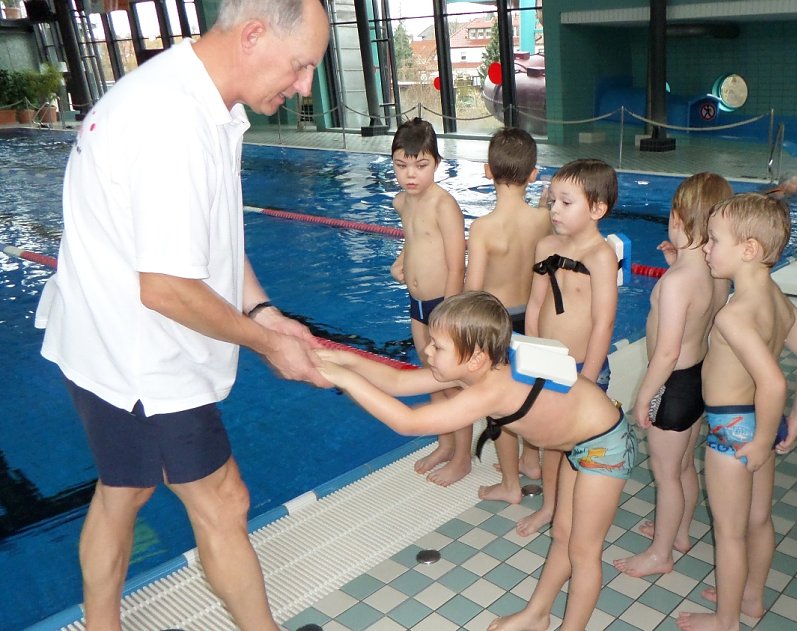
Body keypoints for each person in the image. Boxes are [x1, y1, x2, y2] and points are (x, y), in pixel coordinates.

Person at [36, 1, 331, 629]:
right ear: (253, 35)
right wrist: (265, 342)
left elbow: (211, 239)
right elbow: (167, 288)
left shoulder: (196, 98)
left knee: (125, 492)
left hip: (107, 338)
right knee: (223, 501)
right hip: (140, 357)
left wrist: (263, 309)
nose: (305, 85)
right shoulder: (170, 121)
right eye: (301, 65)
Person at [315, 291, 637, 631]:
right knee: (562, 533)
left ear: (475, 359)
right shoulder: (478, 368)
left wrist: (345, 378)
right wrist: (345, 360)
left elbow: (407, 422)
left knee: (583, 552)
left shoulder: (491, 389)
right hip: (578, 440)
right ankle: (537, 615)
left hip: (604, 445)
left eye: (437, 347)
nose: (426, 350)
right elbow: (398, 381)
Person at [677, 193, 797, 631]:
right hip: (764, 421)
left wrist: (759, 444)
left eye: (714, 240)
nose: (705, 248)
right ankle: (751, 598)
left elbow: (773, 382)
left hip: (734, 430)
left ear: (749, 250)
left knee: (730, 531)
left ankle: (726, 619)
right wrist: (791, 423)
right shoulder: (776, 298)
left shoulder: (733, 315)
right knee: (759, 518)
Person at [613, 173, 732, 578]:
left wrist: (645, 394)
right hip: (698, 379)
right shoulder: (716, 274)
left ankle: (660, 554)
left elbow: (665, 351)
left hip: (672, 383)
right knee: (684, 466)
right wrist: (677, 262)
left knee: (665, 475)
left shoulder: (678, 282)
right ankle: (680, 533)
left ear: (678, 218)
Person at [515, 158, 619, 537]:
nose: (554, 209)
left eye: (565, 202)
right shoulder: (546, 246)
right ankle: (550, 507)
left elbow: (603, 322)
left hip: (582, 368)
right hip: (548, 363)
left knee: (578, 447)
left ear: (597, 209)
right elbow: (536, 305)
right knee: (552, 444)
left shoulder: (601, 256)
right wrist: (529, 355)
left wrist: (588, 380)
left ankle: (573, 513)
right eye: (552, 200)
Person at [464, 127, 552, 504]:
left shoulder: (484, 229)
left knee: (499, 407)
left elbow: (472, 292)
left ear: (487, 171)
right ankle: (532, 459)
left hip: (498, 326)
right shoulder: (543, 220)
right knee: (530, 392)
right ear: (533, 174)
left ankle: (511, 485)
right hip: (535, 318)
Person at [389, 118, 467, 486]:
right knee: (432, 379)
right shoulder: (402, 202)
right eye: (401, 166)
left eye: (421, 166)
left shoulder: (444, 205)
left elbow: (456, 263)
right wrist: (402, 261)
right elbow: (413, 238)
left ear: (436, 163)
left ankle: (463, 458)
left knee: (453, 386)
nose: (410, 175)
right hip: (417, 305)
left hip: (442, 307)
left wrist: (448, 317)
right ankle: (445, 442)